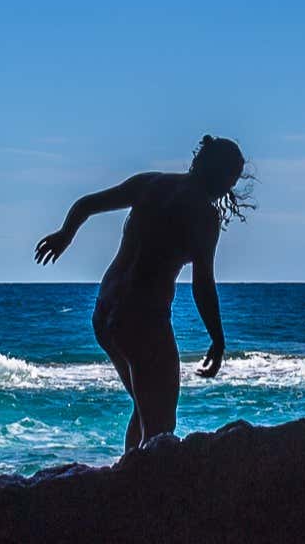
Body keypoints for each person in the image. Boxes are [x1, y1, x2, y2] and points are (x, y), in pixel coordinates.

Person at [34, 135, 247, 451]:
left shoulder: (151, 183)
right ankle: (141, 491)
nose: (230, 187)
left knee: (145, 406)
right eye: (231, 178)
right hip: (143, 320)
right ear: (219, 174)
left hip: (106, 313)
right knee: (162, 427)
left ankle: (125, 479)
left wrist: (66, 234)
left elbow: (86, 204)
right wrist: (217, 338)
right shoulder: (204, 215)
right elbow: (203, 283)